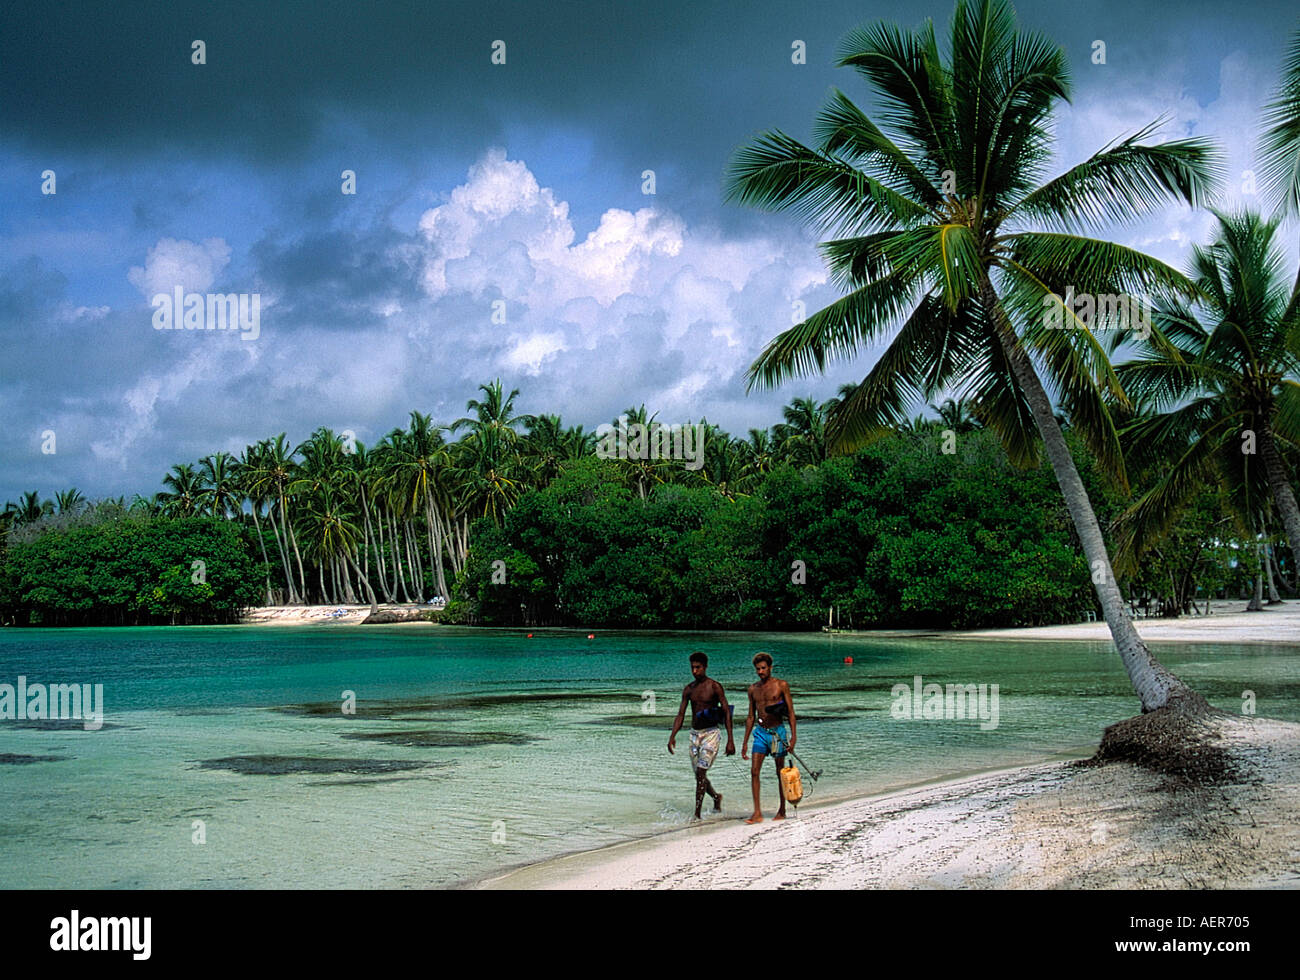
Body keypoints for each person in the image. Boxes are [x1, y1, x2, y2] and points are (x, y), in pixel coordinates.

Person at [667, 651, 735, 819]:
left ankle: (696, 814)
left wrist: (730, 740)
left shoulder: (714, 686)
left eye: (698, 667)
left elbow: (726, 712)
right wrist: (672, 735)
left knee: (701, 772)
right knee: (699, 774)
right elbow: (681, 714)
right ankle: (716, 797)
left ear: (705, 667)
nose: (694, 671)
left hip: (711, 734)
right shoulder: (689, 689)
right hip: (694, 734)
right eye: (692, 668)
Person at [742, 651, 796, 824]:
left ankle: (782, 809)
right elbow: (751, 716)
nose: (760, 672)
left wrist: (793, 737)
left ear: (770, 667)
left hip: (777, 733)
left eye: (763, 668)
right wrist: (744, 742)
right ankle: (757, 812)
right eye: (758, 669)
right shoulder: (753, 689)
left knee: (779, 771)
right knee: (754, 771)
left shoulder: (781, 685)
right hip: (760, 732)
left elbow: (791, 713)